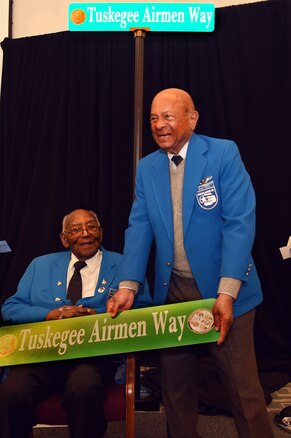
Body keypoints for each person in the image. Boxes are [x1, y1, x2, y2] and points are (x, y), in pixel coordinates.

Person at [107, 89, 274, 437]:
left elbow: (239, 223)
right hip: (174, 292)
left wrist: (227, 292)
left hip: (226, 291)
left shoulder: (223, 153)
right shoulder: (147, 167)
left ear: (192, 118)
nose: (159, 125)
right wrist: (128, 285)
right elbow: (139, 226)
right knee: (176, 388)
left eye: (168, 116)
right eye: (154, 118)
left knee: (242, 390)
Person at [0, 208, 152, 438]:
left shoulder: (125, 266)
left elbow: (144, 310)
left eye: (91, 227)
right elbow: (11, 308)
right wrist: (50, 314)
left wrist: (97, 314)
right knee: (12, 391)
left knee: (84, 388)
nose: (85, 233)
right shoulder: (39, 265)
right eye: (76, 229)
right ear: (64, 238)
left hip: (93, 359)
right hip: (43, 357)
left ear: (100, 232)